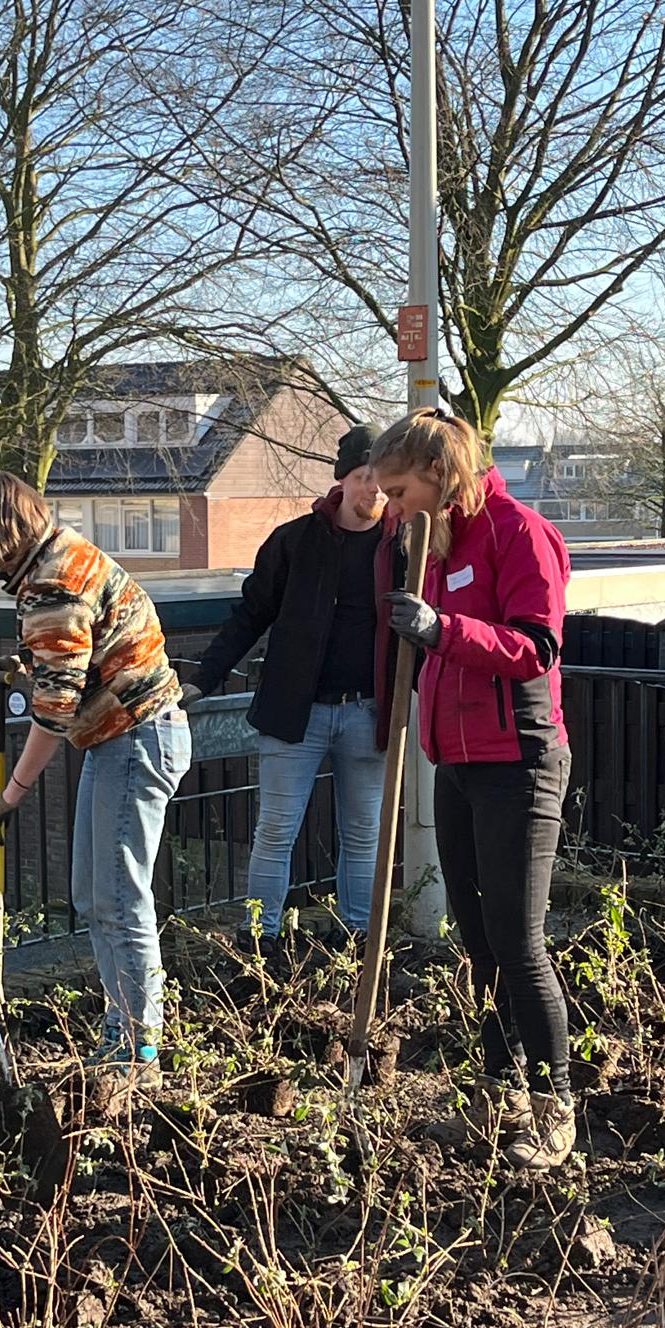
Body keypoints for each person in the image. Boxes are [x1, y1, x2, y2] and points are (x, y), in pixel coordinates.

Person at [372, 406, 575, 1171]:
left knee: (519, 943)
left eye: (398, 490)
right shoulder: (431, 542)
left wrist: (441, 630)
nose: (391, 507)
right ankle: (500, 1097)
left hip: (518, 761)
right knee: (476, 942)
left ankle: (556, 1110)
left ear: (438, 474)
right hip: (455, 762)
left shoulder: (518, 532)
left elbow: (537, 647)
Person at [0, 473, 190, 1093]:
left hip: (134, 738)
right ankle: (121, 1033)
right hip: (123, 737)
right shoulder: (62, 556)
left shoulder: (53, 581)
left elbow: (56, 709)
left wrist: (12, 797)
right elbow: (79, 647)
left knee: (118, 899)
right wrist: (23, 663)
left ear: (0, 538)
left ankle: (139, 1049)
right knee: (93, 896)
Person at [178, 424, 402, 957]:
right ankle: (261, 942)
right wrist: (202, 680)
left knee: (364, 833)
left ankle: (358, 939)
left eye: (382, 481)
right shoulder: (295, 541)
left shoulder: (403, 549)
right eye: (364, 477)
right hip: (293, 712)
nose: (374, 490)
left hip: (370, 713)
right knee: (276, 831)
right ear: (342, 481)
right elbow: (250, 615)